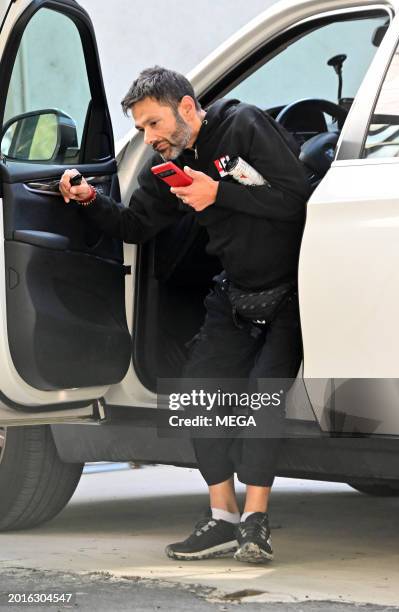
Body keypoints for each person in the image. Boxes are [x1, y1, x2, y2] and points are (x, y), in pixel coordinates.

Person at [59, 66, 310, 564]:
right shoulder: (168, 165)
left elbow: (298, 199)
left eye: (153, 124)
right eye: (140, 129)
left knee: (262, 407)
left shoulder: (243, 126)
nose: (149, 137)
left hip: (287, 295)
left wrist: (219, 193)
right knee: (194, 400)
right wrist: (88, 199)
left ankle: (256, 525)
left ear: (188, 108)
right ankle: (223, 518)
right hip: (233, 296)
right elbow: (134, 225)